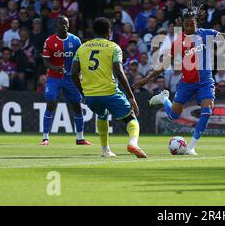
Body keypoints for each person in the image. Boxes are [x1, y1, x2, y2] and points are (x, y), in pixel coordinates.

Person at [134, 2, 225, 155]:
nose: (189, 27)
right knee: (173, 116)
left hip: (205, 82)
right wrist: (147, 79)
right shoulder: (178, 42)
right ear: (182, 25)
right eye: (186, 25)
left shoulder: (206, 34)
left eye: (192, 24)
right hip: (187, 83)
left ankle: (191, 146)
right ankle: (164, 99)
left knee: (207, 111)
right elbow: (165, 64)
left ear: (196, 23)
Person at [71, 17, 147, 159]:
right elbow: (119, 71)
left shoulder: (82, 48)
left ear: (94, 31)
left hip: (91, 96)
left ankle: (105, 150)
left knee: (102, 115)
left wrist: (83, 93)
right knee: (131, 118)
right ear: (109, 32)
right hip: (110, 92)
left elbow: (74, 73)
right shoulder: (114, 47)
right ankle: (133, 144)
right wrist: (131, 96)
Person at [40, 16, 91, 146]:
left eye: (66, 23)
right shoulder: (50, 41)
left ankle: (80, 138)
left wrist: (79, 74)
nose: (64, 25)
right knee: (50, 102)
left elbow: (80, 59)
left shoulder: (75, 40)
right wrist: (56, 68)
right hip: (54, 77)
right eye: (61, 23)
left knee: (77, 106)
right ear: (56, 25)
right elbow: (46, 61)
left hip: (70, 78)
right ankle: (45, 137)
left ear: (69, 25)